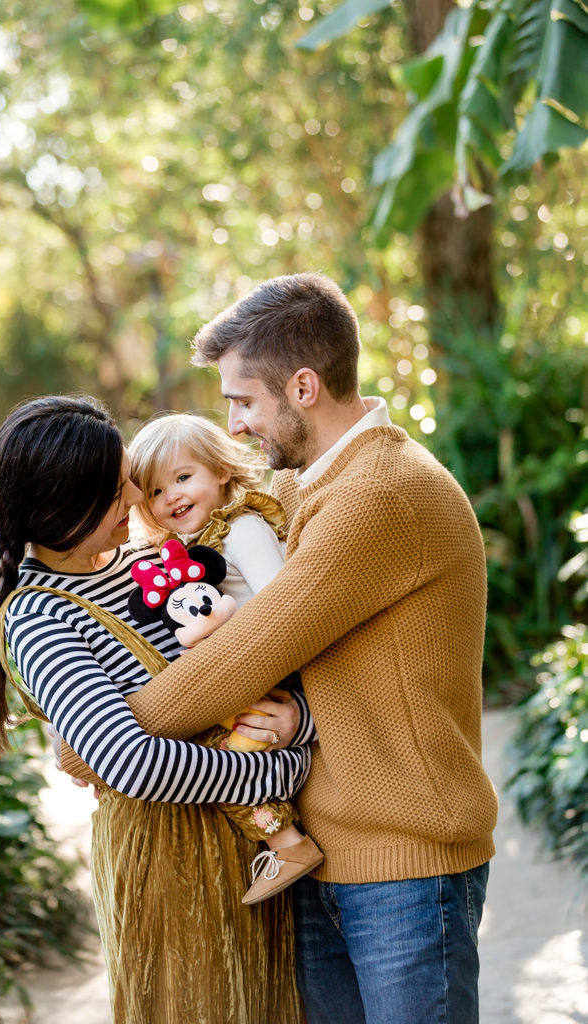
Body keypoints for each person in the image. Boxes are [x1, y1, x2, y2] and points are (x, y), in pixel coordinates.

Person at [87, 273, 499, 1024]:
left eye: (243, 400)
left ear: (303, 386)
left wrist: (99, 741)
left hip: (405, 865)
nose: (235, 426)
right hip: (327, 855)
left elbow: (254, 647)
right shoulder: (311, 488)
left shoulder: (380, 494)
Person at [0, 395, 313, 1024]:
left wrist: (295, 727)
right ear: (67, 504)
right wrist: (286, 772)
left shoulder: (143, 562)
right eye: (119, 488)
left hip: (258, 851)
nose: (136, 498)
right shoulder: (40, 617)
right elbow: (130, 760)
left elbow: (250, 663)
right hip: (171, 867)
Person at [127, 412, 324, 903]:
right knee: (213, 759)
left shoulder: (243, 529)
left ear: (219, 470)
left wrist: (219, 629)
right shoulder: (183, 549)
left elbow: (283, 605)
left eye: (182, 477)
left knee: (224, 768)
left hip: (270, 673)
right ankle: (286, 841)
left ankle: (288, 844)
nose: (170, 496)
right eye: (153, 491)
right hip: (236, 679)